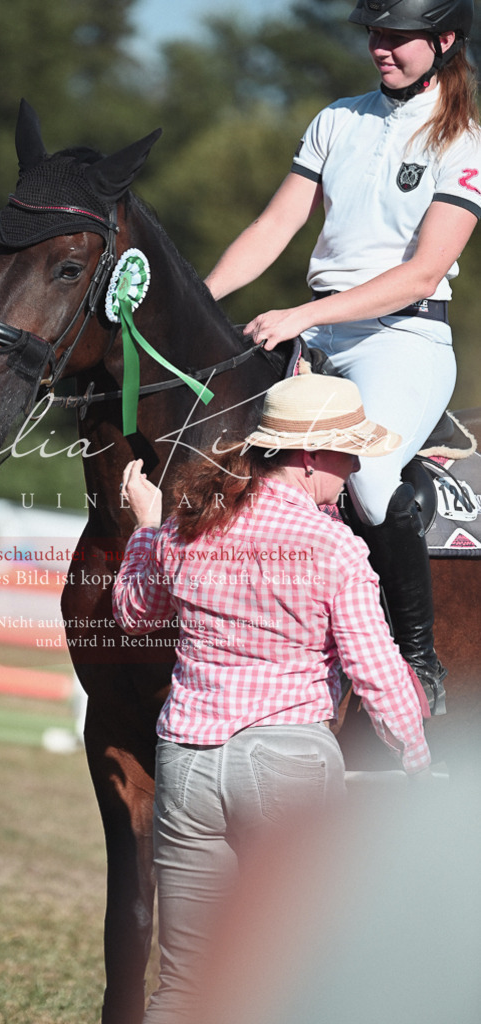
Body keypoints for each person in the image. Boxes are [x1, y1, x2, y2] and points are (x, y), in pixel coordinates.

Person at [112, 373, 432, 1024]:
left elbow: (133, 612)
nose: (355, 467)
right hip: (288, 762)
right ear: (312, 457)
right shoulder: (334, 545)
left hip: (189, 758)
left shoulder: (189, 522)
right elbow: (376, 671)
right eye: (350, 452)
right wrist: (419, 761)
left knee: (185, 985)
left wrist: (147, 527)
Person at [204, 0, 481, 716]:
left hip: (403, 341)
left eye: (396, 37)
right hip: (322, 335)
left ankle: (419, 665)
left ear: (445, 39)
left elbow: (422, 273)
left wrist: (303, 313)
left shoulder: (468, 138)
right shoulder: (337, 120)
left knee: (370, 474)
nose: (379, 49)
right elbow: (276, 224)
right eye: (373, 35)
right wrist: (197, 304)